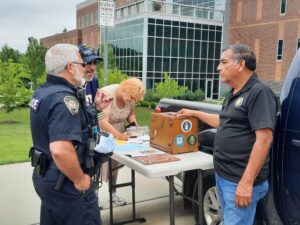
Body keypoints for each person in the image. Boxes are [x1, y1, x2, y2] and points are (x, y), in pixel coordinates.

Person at [176, 44, 277, 225]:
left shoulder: (259, 93)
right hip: (224, 176)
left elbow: (264, 139)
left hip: (240, 180)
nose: (218, 68)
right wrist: (195, 113)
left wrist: (246, 183)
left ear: (241, 64)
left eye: (223, 62)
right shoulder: (233, 93)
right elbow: (223, 121)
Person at [29, 44, 112, 225]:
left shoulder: (44, 91)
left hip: (47, 177)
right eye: (82, 64)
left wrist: (96, 108)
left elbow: (77, 126)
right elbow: (60, 149)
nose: (85, 68)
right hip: (65, 180)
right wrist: (80, 179)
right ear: (69, 67)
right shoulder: (64, 99)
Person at [99, 77, 145, 206]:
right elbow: (102, 122)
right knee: (98, 166)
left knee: (115, 166)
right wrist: (119, 135)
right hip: (103, 133)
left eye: (135, 99)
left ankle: (113, 194)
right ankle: (94, 196)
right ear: (125, 89)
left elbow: (131, 114)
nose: (133, 101)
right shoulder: (108, 94)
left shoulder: (130, 96)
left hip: (118, 133)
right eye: (132, 97)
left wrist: (134, 128)